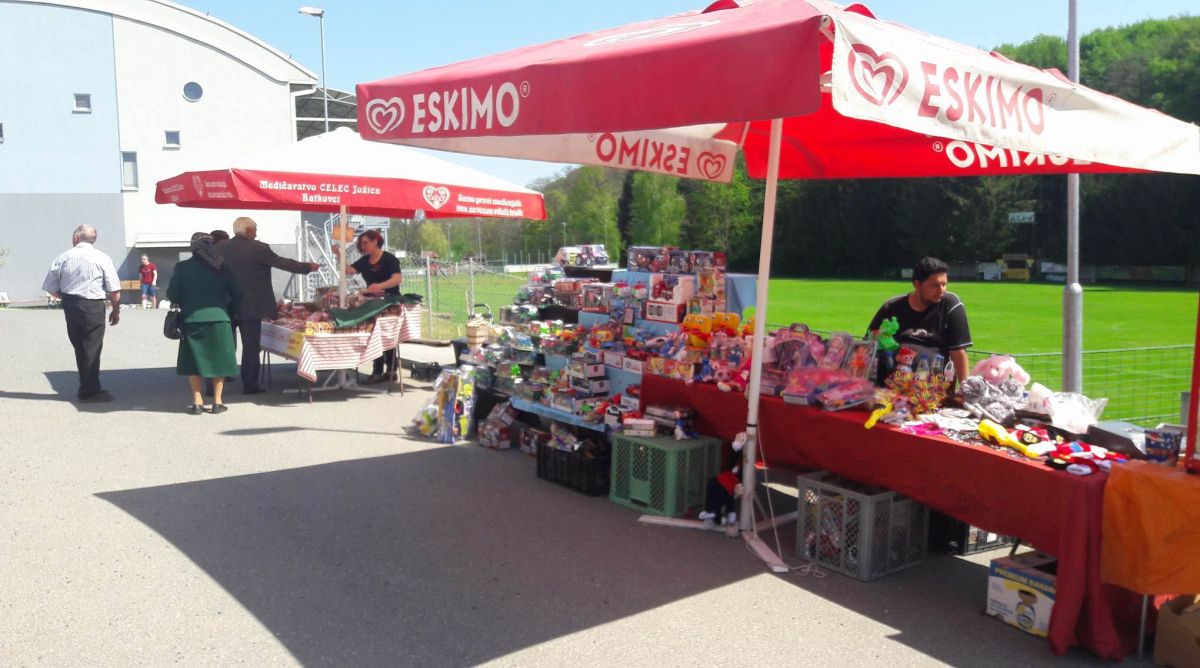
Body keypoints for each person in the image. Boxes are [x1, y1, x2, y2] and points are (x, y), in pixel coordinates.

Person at [216, 216, 318, 394]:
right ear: (249, 231)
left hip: (225, 304)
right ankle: (250, 384)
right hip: (251, 306)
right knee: (251, 347)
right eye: (255, 230)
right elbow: (283, 263)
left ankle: (213, 385)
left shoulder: (220, 248)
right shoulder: (259, 248)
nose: (256, 234)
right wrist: (307, 267)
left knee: (220, 345)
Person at [41, 224, 122, 402]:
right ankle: (89, 390)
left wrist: (66, 298)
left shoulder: (63, 257)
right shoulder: (102, 258)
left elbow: (51, 288)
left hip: (71, 304)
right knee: (92, 346)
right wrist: (116, 311)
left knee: (80, 346)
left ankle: (87, 386)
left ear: (76, 238)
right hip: (93, 305)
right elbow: (115, 291)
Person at [867, 257, 972, 385]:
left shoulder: (950, 305)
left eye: (944, 284)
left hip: (934, 389)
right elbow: (868, 345)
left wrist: (965, 388)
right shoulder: (891, 307)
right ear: (917, 285)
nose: (941, 290)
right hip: (891, 386)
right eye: (935, 285)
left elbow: (958, 352)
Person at [168, 233, 242, 414]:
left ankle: (197, 402)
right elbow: (238, 294)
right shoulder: (223, 267)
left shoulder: (183, 267)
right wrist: (229, 311)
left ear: (193, 248)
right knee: (220, 361)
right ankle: (217, 402)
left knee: (194, 362)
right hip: (220, 320)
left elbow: (173, 294)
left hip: (192, 320)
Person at [342, 229, 403, 384]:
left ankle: (390, 370)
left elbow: (397, 279)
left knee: (387, 335)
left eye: (365, 243)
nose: (363, 247)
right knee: (374, 335)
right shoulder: (365, 260)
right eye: (361, 244)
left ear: (376, 241)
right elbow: (348, 270)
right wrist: (339, 255)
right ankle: (378, 369)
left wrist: (379, 286)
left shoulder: (389, 259)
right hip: (372, 304)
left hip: (390, 302)